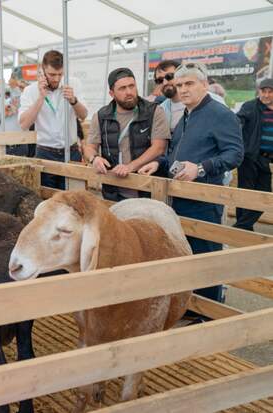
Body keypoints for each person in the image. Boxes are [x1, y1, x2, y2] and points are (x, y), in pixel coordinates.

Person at [139, 62, 243, 303]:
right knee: (186, 255)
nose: (183, 89)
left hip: (205, 200)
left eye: (189, 84)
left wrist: (201, 168)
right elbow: (177, 153)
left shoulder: (220, 115)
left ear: (204, 84)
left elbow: (235, 154)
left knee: (206, 258)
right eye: (179, 85)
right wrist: (159, 164)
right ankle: (192, 307)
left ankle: (209, 311)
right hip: (180, 198)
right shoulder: (186, 114)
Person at [82, 67, 170, 201]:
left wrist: (130, 167)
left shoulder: (154, 111)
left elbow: (159, 147)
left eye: (131, 86)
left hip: (147, 189)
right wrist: (94, 159)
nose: (129, 92)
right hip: (113, 190)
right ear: (111, 93)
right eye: (122, 88)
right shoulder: (101, 116)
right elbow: (89, 147)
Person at [19, 50, 88, 189]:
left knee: (73, 198)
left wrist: (74, 101)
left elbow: (84, 115)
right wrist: (41, 97)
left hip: (71, 151)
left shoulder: (73, 83)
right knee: (46, 200)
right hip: (45, 153)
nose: (56, 79)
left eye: (60, 74)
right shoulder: (30, 90)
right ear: (42, 70)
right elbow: (24, 124)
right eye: (52, 74)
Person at [234, 78, 273, 231]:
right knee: (245, 193)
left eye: (270, 92)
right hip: (249, 158)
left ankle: (241, 227)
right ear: (259, 91)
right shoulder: (250, 106)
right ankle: (244, 227)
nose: (267, 95)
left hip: (265, 159)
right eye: (264, 91)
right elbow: (237, 121)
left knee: (264, 194)